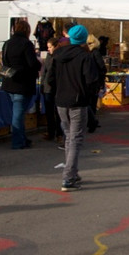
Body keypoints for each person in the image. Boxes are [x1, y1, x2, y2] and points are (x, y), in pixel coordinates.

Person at [47, 24, 99, 191]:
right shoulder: (85, 57)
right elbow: (91, 81)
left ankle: (72, 172)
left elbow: (50, 79)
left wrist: (58, 91)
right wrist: (89, 95)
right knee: (75, 138)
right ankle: (69, 176)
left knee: (69, 137)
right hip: (78, 101)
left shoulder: (58, 54)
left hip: (61, 100)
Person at [1, 19, 41, 150]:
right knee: (18, 114)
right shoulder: (26, 44)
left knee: (17, 113)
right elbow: (32, 64)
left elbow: (4, 62)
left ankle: (22, 139)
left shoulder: (7, 43)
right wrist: (39, 64)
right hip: (22, 83)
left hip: (9, 82)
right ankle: (18, 141)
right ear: (27, 31)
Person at [39, 37, 65, 144]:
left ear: (56, 46)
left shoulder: (60, 56)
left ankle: (59, 133)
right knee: (49, 112)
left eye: (50, 47)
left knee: (58, 112)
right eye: (48, 47)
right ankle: (51, 132)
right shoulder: (49, 56)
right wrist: (42, 84)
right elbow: (45, 71)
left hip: (57, 87)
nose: (48, 49)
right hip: (47, 88)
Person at [85, 35, 107, 133]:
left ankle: (91, 121)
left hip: (90, 81)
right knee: (91, 102)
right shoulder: (93, 53)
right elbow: (102, 67)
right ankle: (92, 121)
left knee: (90, 102)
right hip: (93, 80)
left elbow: (101, 67)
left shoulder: (89, 53)